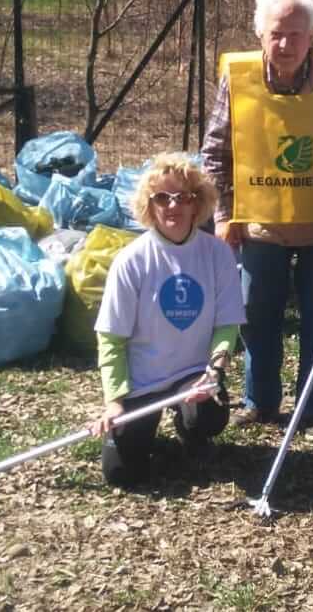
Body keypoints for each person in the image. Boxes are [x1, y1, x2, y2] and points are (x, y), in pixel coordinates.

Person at [201, 0, 313, 441]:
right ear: (259, 35)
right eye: (275, 34)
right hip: (260, 225)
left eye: (295, 34)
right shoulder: (239, 80)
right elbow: (215, 152)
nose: (285, 44)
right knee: (257, 316)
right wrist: (224, 215)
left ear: (312, 37)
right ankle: (260, 401)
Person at [89, 153, 245, 485]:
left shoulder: (218, 254)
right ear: (150, 204)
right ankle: (138, 428)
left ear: (196, 203)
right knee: (120, 475)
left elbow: (227, 324)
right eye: (162, 197)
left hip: (191, 375)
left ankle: (192, 432)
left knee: (208, 415)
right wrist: (114, 402)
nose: (172, 206)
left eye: (182, 197)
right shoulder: (131, 260)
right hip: (141, 380)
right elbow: (111, 338)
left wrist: (214, 371)